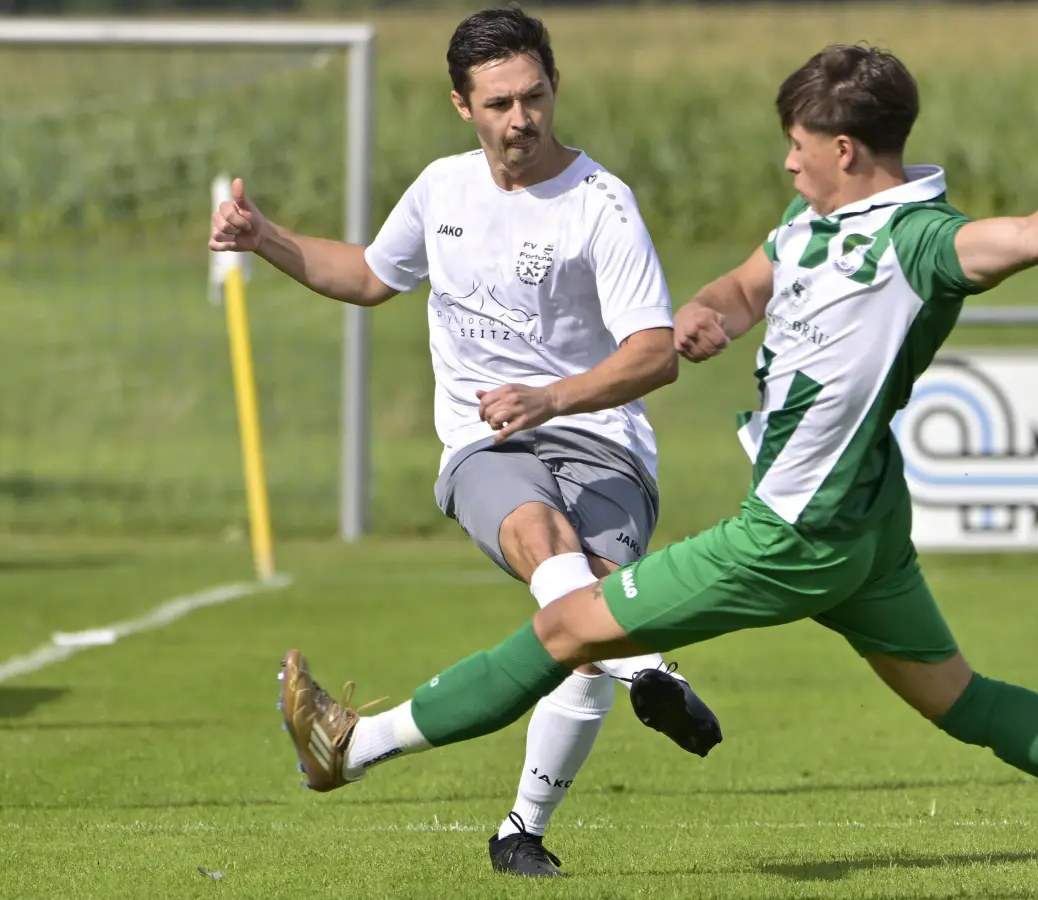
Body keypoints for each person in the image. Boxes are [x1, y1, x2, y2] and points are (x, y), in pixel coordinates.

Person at [275, 44, 1038, 898]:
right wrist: (711, 312)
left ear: (843, 150)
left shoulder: (915, 240)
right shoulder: (810, 225)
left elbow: (1027, 233)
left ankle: (348, 749)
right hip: (868, 524)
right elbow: (746, 285)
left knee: (565, 626)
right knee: (959, 698)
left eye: (797, 141)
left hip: (794, 532)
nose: (785, 157)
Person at [212, 7, 722, 880]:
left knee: (580, 631)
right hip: (487, 444)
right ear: (462, 105)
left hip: (602, 442)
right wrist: (266, 240)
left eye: (533, 97)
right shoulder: (442, 189)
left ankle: (510, 824)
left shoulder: (601, 203)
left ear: (555, 88)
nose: (520, 119)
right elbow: (371, 275)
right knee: (549, 551)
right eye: (498, 104)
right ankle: (652, 673)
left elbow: (652, 355)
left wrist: (551, 396)